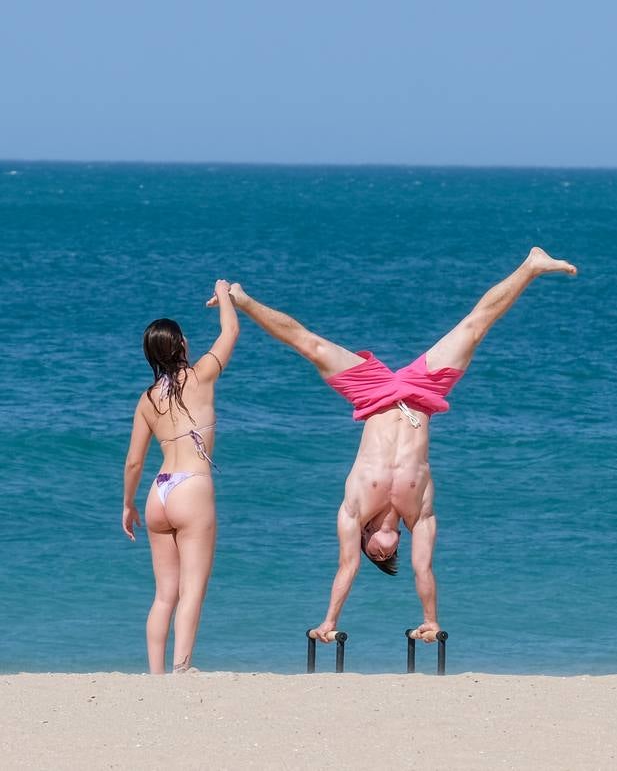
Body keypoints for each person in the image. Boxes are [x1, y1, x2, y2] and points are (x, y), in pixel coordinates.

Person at [227, 247, 577, 641]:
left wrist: (328, 622)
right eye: (390, 555)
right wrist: (431, 619)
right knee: (473, 328)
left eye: (378, 555)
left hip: (372, 392)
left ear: (365, 540)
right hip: (420, 393)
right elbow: (423, 568)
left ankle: (241, 299)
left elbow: (346, 568)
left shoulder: (353, 513)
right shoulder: (420, 514)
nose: (385, 553)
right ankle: (530, 266)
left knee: (311, 345)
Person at [122, 280, 239, 673]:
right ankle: (182, 667)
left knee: (163, 595)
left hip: (159, 491)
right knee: (192, 589)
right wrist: (224, 294)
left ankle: (155, 675)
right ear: (180, 345)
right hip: (191, 486)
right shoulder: (201, 374)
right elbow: (230, 332)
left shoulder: (147, 399)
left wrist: (128, 505)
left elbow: (134, 462)